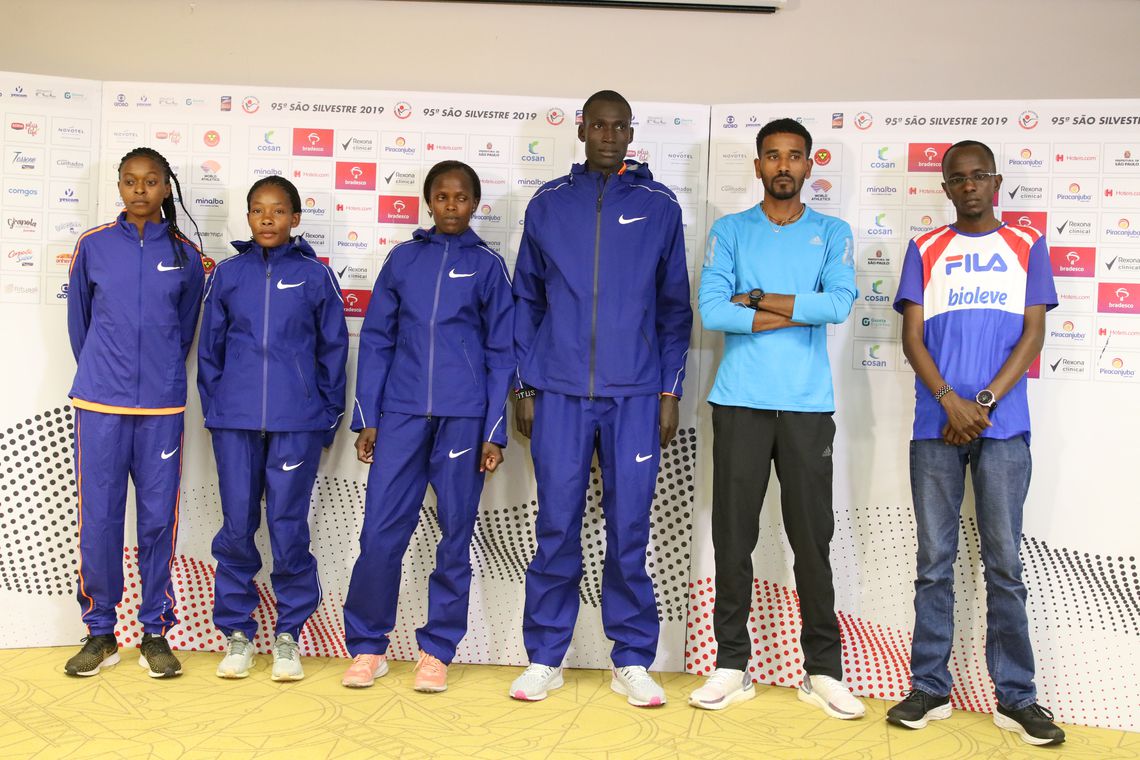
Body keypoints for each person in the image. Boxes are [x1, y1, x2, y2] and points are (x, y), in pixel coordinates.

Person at [508, 90, 693, 708]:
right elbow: (526, 300)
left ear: (631, 131)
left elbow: (674, 309)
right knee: (556, 525)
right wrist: (525, 383)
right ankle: (544, 656)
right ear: (581, 129)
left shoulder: (660, 206)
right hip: (558, 390)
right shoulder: (549, 204)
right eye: (599, 125)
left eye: (620, 126)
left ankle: (632, 658)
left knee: (630, 527)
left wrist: (669, 390)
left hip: (636, 394)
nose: (609, 135)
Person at [887, 140, 1065, 746]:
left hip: (1003, 428)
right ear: (945, 187)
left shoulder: (1027, 245)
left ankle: (1016, 698)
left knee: (1005, 567)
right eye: (957, 178)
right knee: (933, 565)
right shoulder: (926, 249)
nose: (969, 185)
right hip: (934, 427)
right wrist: (949, 401)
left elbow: (1033, 332)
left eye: (979, 175)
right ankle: (930, 688)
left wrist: (982, 403)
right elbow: (913, 338)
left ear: (996, 181)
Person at [692, 118, 863, 718]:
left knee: (811, 541)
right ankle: (731, 666)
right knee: (732, 539)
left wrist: (758, 297)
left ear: (810, 165)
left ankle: (823, 670)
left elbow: (840, 304)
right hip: (739, 400)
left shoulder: (832, 231)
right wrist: (798, 310)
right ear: (759, 166)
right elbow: (713, 309)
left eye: (795, 156)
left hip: (807, 406)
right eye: (773, 156)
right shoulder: (731, 231)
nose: (783, 166)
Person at [340, 161, 514, 693]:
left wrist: (494, 430)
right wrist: (368, 418)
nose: (452, 206)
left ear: (475, 203)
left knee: (454, 535)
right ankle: (368, 646)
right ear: (429, 203)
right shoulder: (402, 261)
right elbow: (376, 341)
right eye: (442, 197)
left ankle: (437, 650)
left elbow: (502, 351)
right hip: (403, 415)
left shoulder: (488, 266)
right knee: (379, 533)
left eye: (462, 198)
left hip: (463, 420)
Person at [197, 176, 348, 681]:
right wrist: (217, 408)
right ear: (248, 217)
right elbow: (210, 350)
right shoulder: (228, 275)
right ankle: (237, 634)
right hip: (235, 422)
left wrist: (324, 416)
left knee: (288, 528)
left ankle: (288, 635)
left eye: (278, 211)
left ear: (295, 219)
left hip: (296, 423)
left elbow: (333, 350)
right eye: (258, 210)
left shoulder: (313, 276)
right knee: (237, 526)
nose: (267, 219)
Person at [64, 147, 206, 679]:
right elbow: (80, 324)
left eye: (150, 181)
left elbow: (185, 328)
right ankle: (100, 632)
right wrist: (106, 371)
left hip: (162, 408)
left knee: (155, 522)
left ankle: (154, 632)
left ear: (166, 188)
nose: (140, 189)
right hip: (100, 404)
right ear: (119, 187)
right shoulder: (93, 246)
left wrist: (156, 373)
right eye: (130, 181)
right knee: (99, 519)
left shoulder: (186, 255)